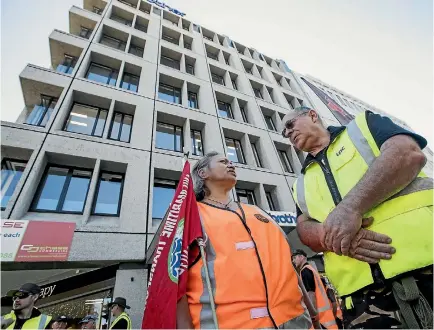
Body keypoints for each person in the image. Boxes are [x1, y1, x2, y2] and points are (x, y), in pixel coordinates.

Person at [281, 106, 433, 328]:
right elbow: (304, 227)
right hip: (362, 300)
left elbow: (407, 152)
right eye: (284, 133)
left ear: (312, 115)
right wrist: (334, 236)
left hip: (426, 266)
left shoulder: (362, 127)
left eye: (290, 125)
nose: (287, 134)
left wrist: (350, 209)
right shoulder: (300, 183)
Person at [176, 152, 313, 329]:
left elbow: (289, 267)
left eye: (231, 161)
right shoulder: (192, 216)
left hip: (296, 323)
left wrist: (314, 316)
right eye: (223, 162)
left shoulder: (258, 212)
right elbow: (176, 281)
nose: (231, 164)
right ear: (203, 173)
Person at [292, 249, 337, 329]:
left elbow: (311, 295)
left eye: (294, 258)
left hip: (321, 320)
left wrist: (313, 317)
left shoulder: (305, 271)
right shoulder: (311, 269)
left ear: (301, 257)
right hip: (327, 319)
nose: (293, 261)